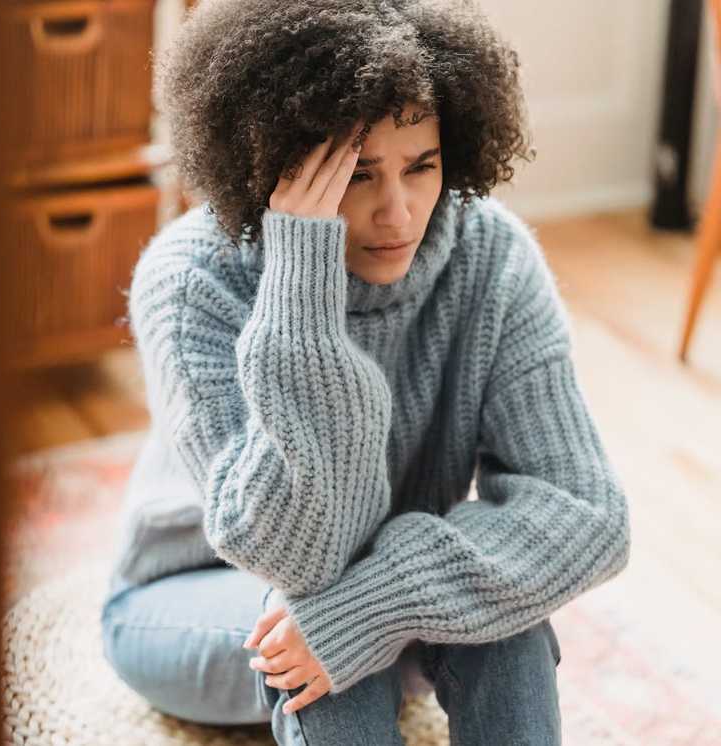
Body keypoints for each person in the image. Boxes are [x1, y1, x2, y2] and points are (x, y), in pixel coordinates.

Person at [100, 0, 631, 743]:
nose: (399, 213)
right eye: (356, 175)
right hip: (192, 593)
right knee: (310, 629)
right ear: (275, 166)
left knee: (498, 620)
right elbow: (294, 554)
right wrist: (301, 285)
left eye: (422, 167)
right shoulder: (193, 281)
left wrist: (378, 603)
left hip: (371, 581)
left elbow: (587, 512)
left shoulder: (492, 258)